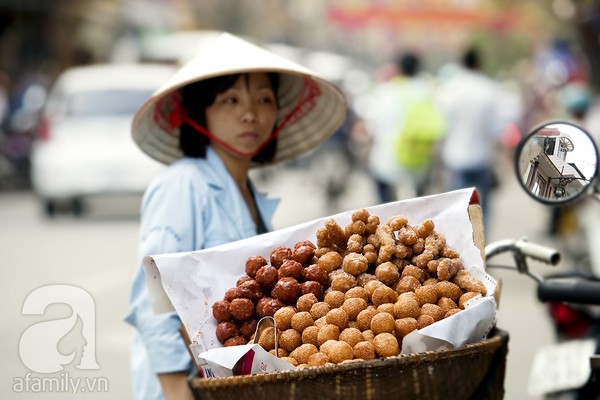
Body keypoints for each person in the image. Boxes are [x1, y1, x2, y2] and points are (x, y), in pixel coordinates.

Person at [126, 32, 347, 400]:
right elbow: (154, 304)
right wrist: (175, 390)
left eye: (263, 99)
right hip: (188, 386)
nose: (250, 113)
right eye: (231, 100)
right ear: (201, 111)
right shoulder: (183, 184)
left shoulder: (250, 193)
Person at [435, 46, 507, 229]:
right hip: (481, 158)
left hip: (455, 158)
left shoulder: (449, 89)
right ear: (479, 63)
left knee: (457, 210)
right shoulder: (489, 89)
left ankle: (457, 251)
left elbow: (440, 126)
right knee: (481, 209)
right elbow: (497, 129)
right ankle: (482, 250)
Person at [363, 51, 445, 201]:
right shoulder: (428, 91)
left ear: (399, 69)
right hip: (419, 161)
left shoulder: (387, 91)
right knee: (419, 206)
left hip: (388, 161)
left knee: (384, 203)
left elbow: (372, 124)